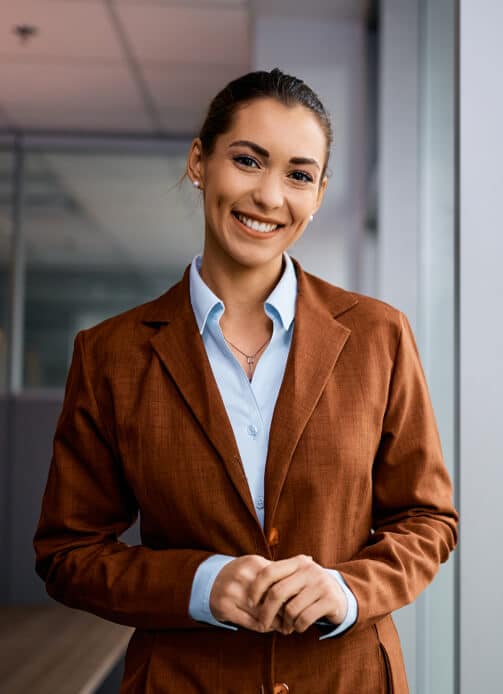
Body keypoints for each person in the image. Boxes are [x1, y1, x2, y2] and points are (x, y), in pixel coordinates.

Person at [33, 68, 458, 693]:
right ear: (200, 162)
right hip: (183, 679)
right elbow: (68, 552)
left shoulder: (378, 335)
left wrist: (345, 589)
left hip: (348, 679)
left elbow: (428, 519)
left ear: (318, 195)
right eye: (248, 160)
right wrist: (202, 584)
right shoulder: (111, 354)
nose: (269, 195)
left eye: (298, 174)